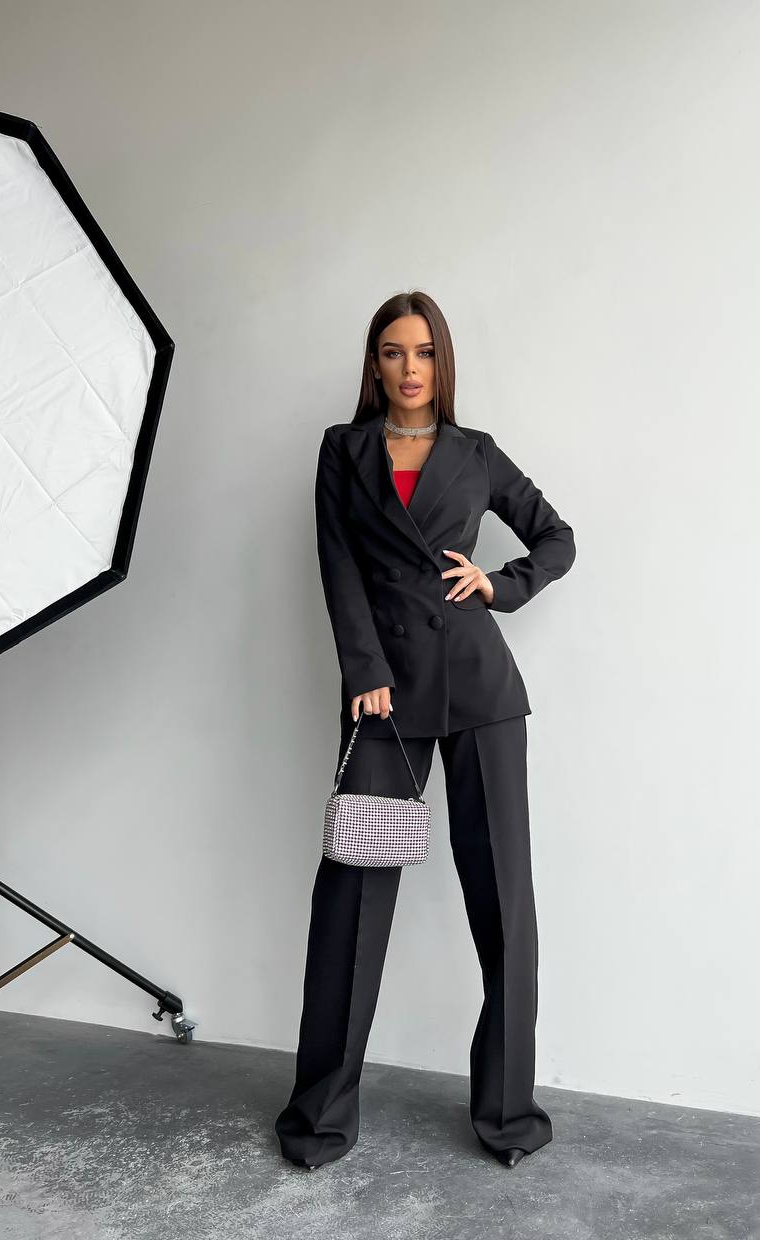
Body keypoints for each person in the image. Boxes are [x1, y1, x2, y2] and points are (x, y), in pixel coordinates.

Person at [274, 290, 576, 1170]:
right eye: (393, 352)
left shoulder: (477, 455)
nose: (410, 369)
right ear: (374, 364)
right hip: (384, 698)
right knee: (350, 904)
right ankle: (321, 1117)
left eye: (425, 353)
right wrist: (364, 670)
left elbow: (555, 538)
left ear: (444, 363)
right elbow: (337, 566)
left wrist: (500, 585)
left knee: (504, 906)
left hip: (481, 692)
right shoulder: (344, 450)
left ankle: (509, 1117)